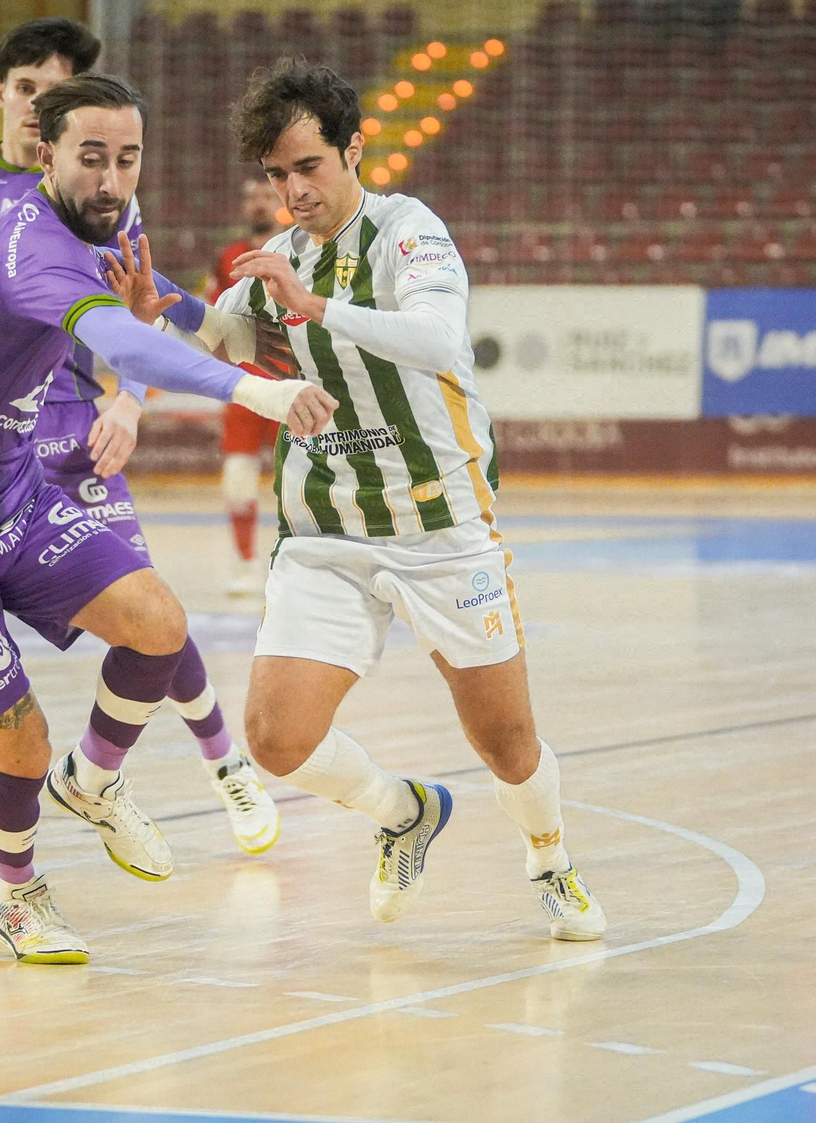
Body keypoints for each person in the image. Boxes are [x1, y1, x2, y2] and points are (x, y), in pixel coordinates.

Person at [0, 74, 335, 963]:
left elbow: (147, 315)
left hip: (14, 494)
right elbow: (126, 345)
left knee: (158, 623)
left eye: (128, 160)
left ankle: (94, 780)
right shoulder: (31, 246)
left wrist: (202, 320)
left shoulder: (84, 225)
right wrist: (260, 386)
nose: (112, 181)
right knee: (19, 746)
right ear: (46, 155)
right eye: (91, 159)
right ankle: (16, 890)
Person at [216, 60, 608, 943]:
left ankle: (550, 858)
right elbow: (207, 334)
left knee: (505, 740)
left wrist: (315, 307)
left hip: (441, 526)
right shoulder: (277, 264)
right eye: (278, 175)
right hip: (325, 529)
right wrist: (147, 306)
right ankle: (405, 811)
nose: (293, 189)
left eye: (308, 166)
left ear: (354, 150)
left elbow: (436, 337)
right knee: (275, 737)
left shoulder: (406, 230)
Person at [208, 179, 291, 595]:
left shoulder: (300, 249)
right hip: (240, 387)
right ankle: (245, 564)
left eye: (265, 196)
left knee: (297, 476)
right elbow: (213, 320)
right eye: (250, 196)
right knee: (238, 478)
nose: (258, 203)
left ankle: (296, 562)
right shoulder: (227, 257)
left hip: (289, 381)